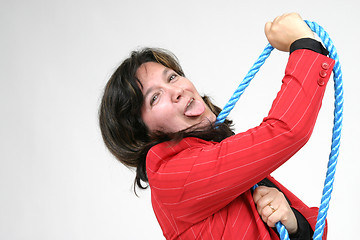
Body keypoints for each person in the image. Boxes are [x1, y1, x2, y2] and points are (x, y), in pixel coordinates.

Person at [99, 13, 334, 239]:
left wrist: (293, 224)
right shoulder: (173, 176)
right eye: (154, 97)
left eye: (171, 77)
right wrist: (305, 46)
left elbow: (316, 231)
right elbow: (284, 132)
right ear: (140, 133)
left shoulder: (213, 160)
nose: (176, 91)